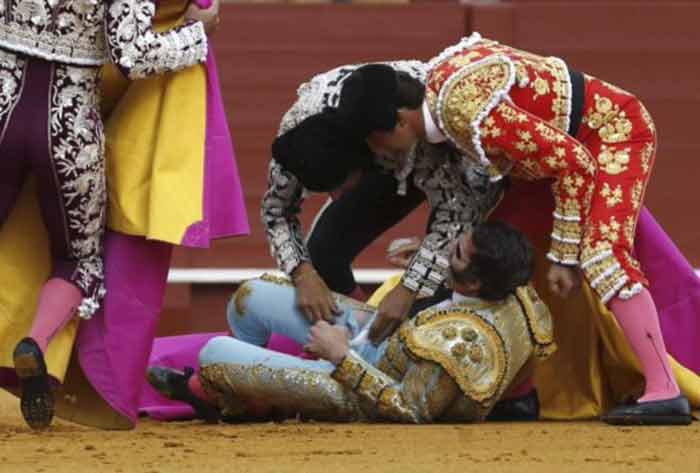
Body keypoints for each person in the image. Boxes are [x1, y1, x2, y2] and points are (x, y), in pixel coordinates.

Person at [356, 32, 691, 424]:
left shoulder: (464, 112)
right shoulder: (441, 96)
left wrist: (565, 258)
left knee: (603, 254)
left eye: (376, 139)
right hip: (558, 157)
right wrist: (439, 246)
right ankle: (519, 393)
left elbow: (574, 163)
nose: (379, 151)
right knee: (494, 255)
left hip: (613, 135)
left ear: (399, 120)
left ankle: (664, 390)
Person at [0, 0, 224, 429]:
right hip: (69, 130)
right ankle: (36, 342)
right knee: (78, 262)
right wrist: (196, 33)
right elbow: (133, 55)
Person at [148, 222, 555, 423]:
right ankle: (252, 396)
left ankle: (241, 398)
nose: (449, 249)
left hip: (360, 393)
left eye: (458, 254)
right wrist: (434, 264)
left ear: (477, 280)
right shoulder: (517, 288)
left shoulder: (460, 342)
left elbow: (410, 409)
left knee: (214, 355)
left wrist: (340, 356)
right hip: (387, 342)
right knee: (249, 296)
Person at [264, 62, 503, 327]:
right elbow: (277, 212)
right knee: (321, 256)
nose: (334, 196)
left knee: (453, 269)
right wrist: (302, 274)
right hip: (388, 148)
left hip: (436, 154)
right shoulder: (299, 135)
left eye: (339, 186)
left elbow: (458, 216)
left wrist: (409, 288)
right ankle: (358, 331)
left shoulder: (430, 125)